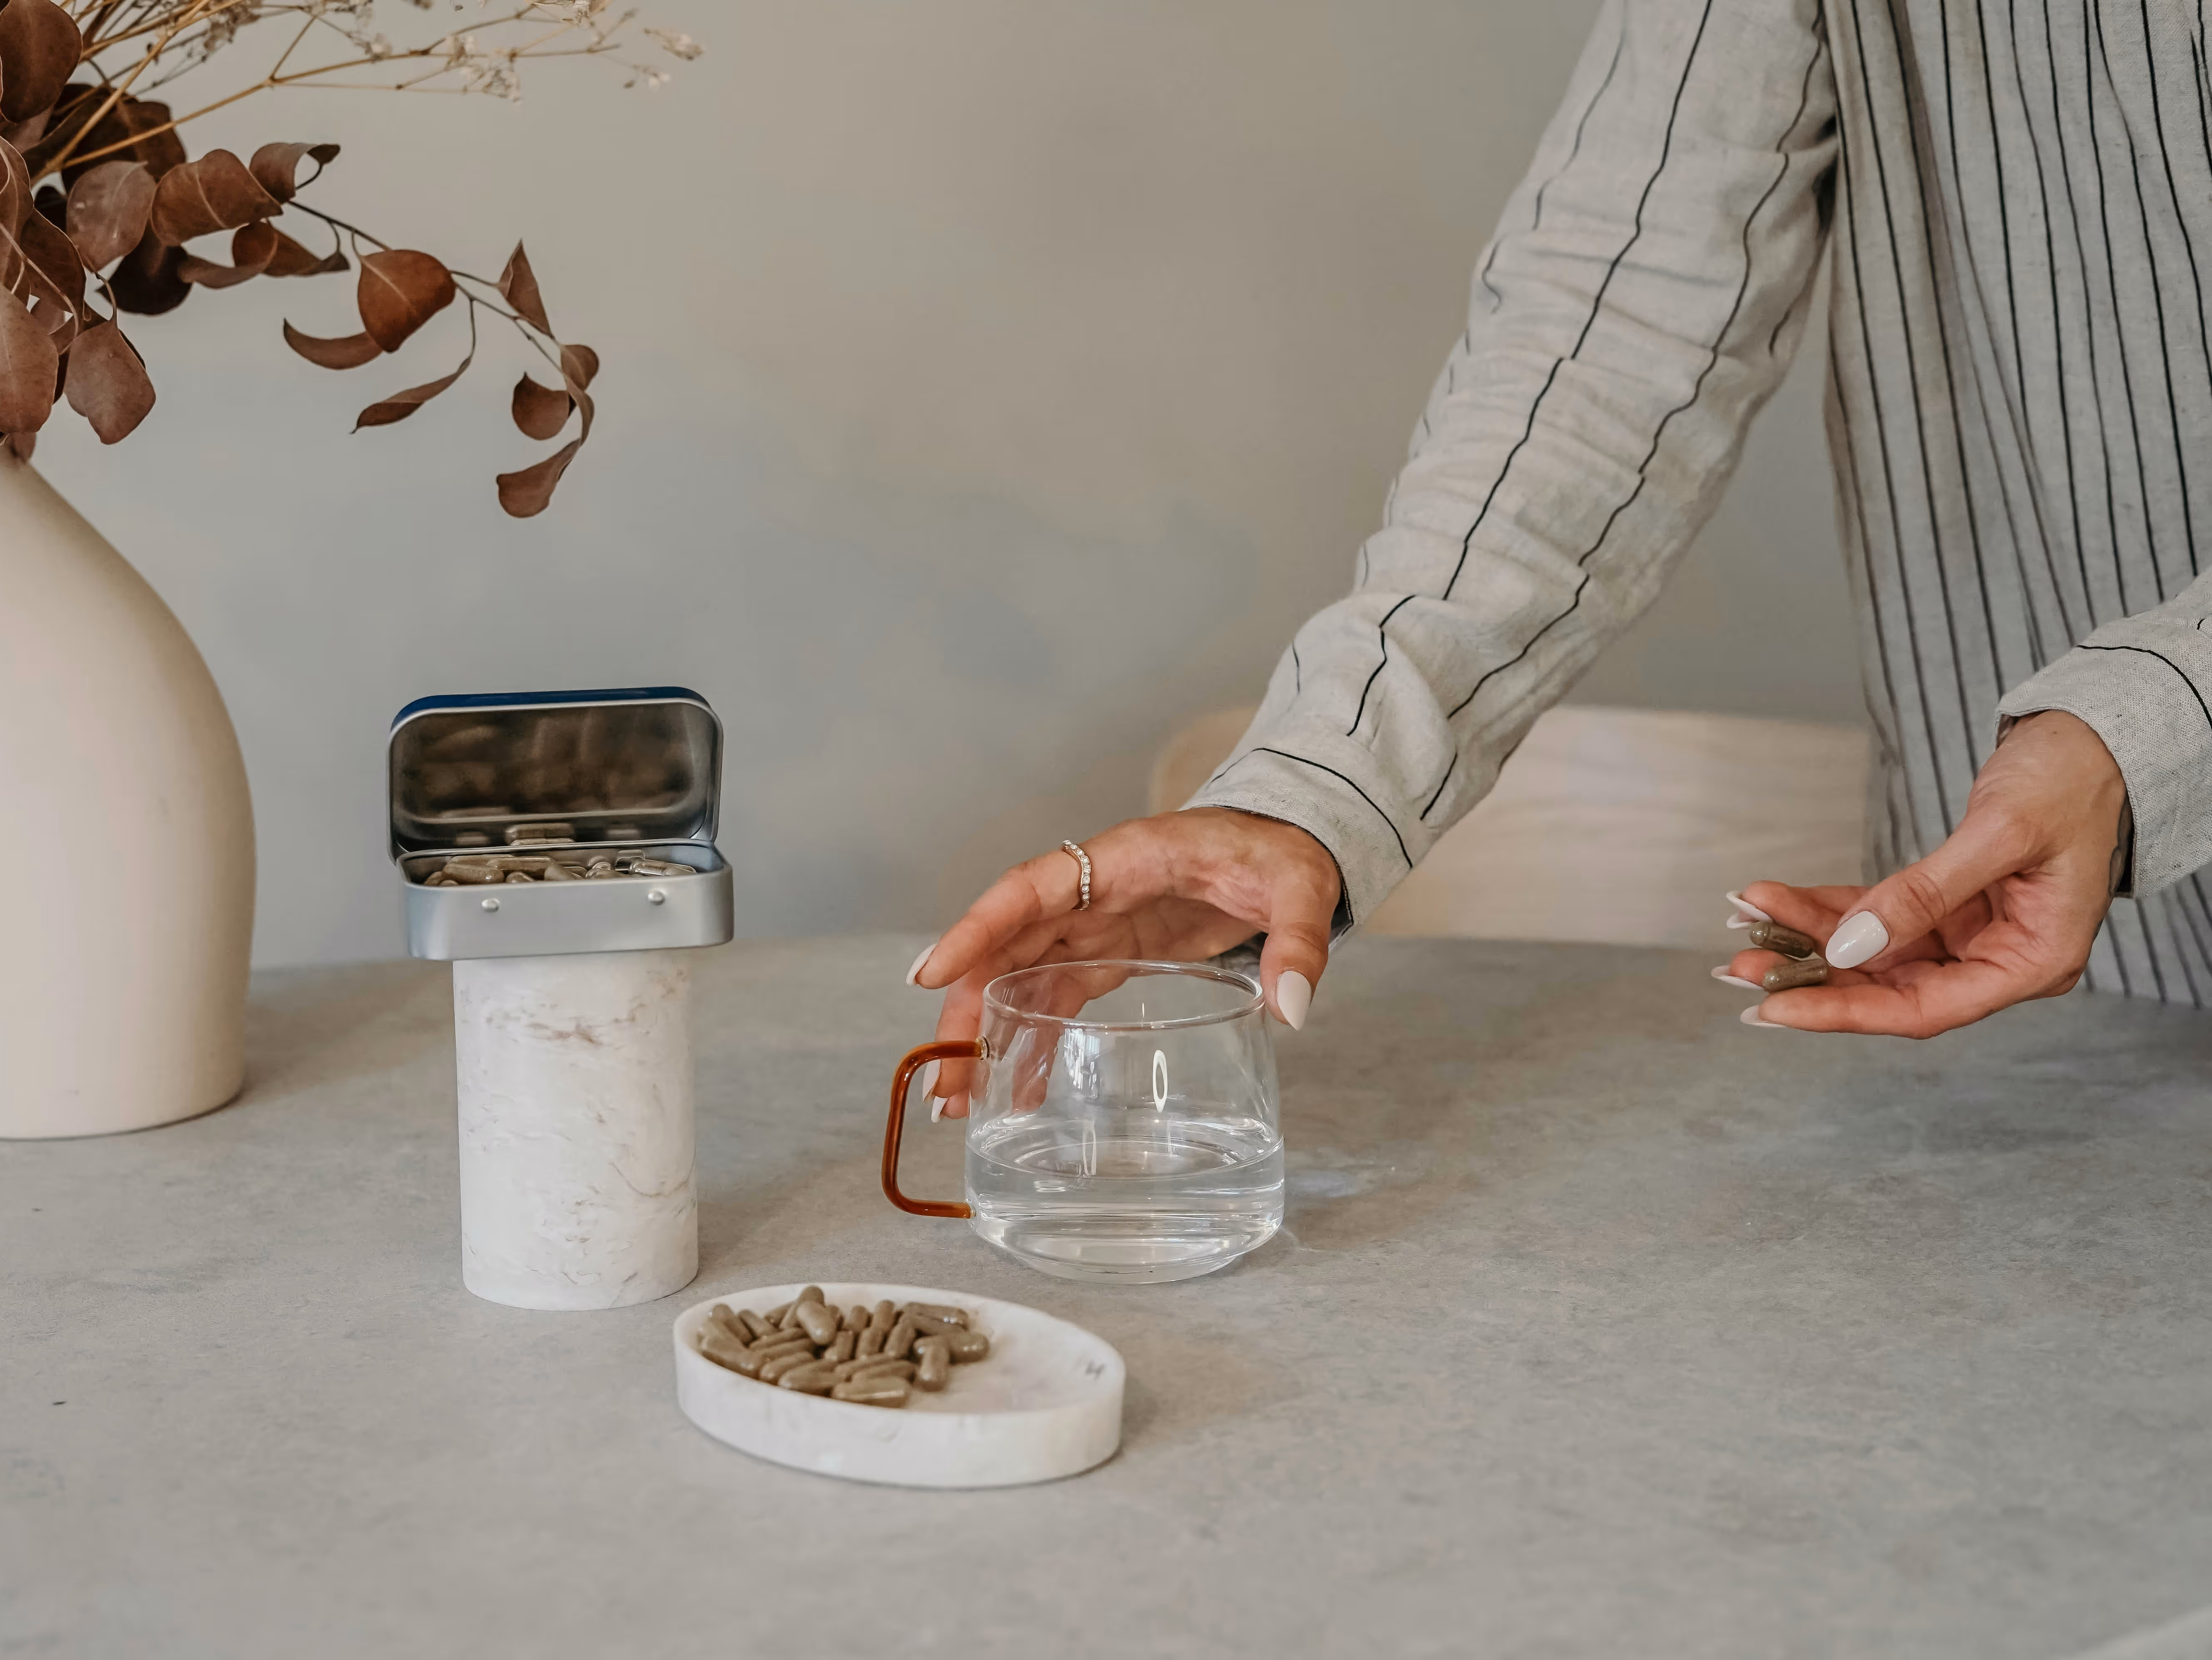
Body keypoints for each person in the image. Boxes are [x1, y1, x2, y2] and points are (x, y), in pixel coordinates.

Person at [910, 0, 2212, 1103]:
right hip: (2031, 960)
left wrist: (2146, 728)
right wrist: (1312, 787)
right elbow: (1622, 314)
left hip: (2039, 856)